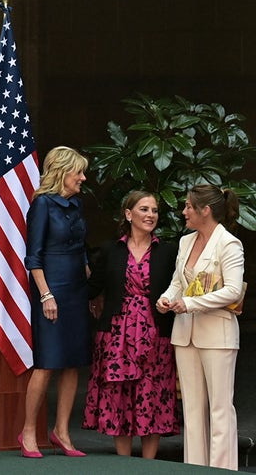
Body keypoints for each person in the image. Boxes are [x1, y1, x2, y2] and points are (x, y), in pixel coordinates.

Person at [82, 191, 180, 458]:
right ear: (128, 214)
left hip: (155, 334)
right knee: (119, 395)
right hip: (116, 335)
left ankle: (149, 464)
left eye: (155, 210)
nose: (151, 215)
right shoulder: (109, 251)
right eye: (144, 209)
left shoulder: (170, 251)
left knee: (153, 393)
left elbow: (181, 286)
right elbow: (91, 288)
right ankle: (123, 464)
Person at [156, 184, 244, 470]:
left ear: (205, 210)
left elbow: (232, 291)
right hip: (185, 334)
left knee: (220, 409)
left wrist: (191, 304)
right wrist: (168, 298)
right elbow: (178, 282)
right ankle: (193, 469)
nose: (183, 212)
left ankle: (222, 470)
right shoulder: (185, 242)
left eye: (188, 207)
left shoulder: (229, 243)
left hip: (217, 335)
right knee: (192, 410)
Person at [18, 146, 90, 458]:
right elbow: (33, 256)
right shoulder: (42, 205)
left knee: (73, 361)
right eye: (79, 172)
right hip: (52, 288)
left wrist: (91, 287)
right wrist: (46, 294)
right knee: (47, 362)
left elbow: (82, 248)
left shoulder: (76, 203)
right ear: (62, 172)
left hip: (76, 289)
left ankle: (61, 431)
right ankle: (29, 431)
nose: (83, 178)